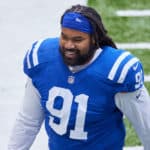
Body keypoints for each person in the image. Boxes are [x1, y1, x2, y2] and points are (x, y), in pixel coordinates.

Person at [8, 4, 150, 150]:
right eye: (64, 36)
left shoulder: (116, 72)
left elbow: (146, 126)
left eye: (77, 40)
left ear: (94, 39)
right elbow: (28, 122)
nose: (69, 45)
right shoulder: (42, 60)